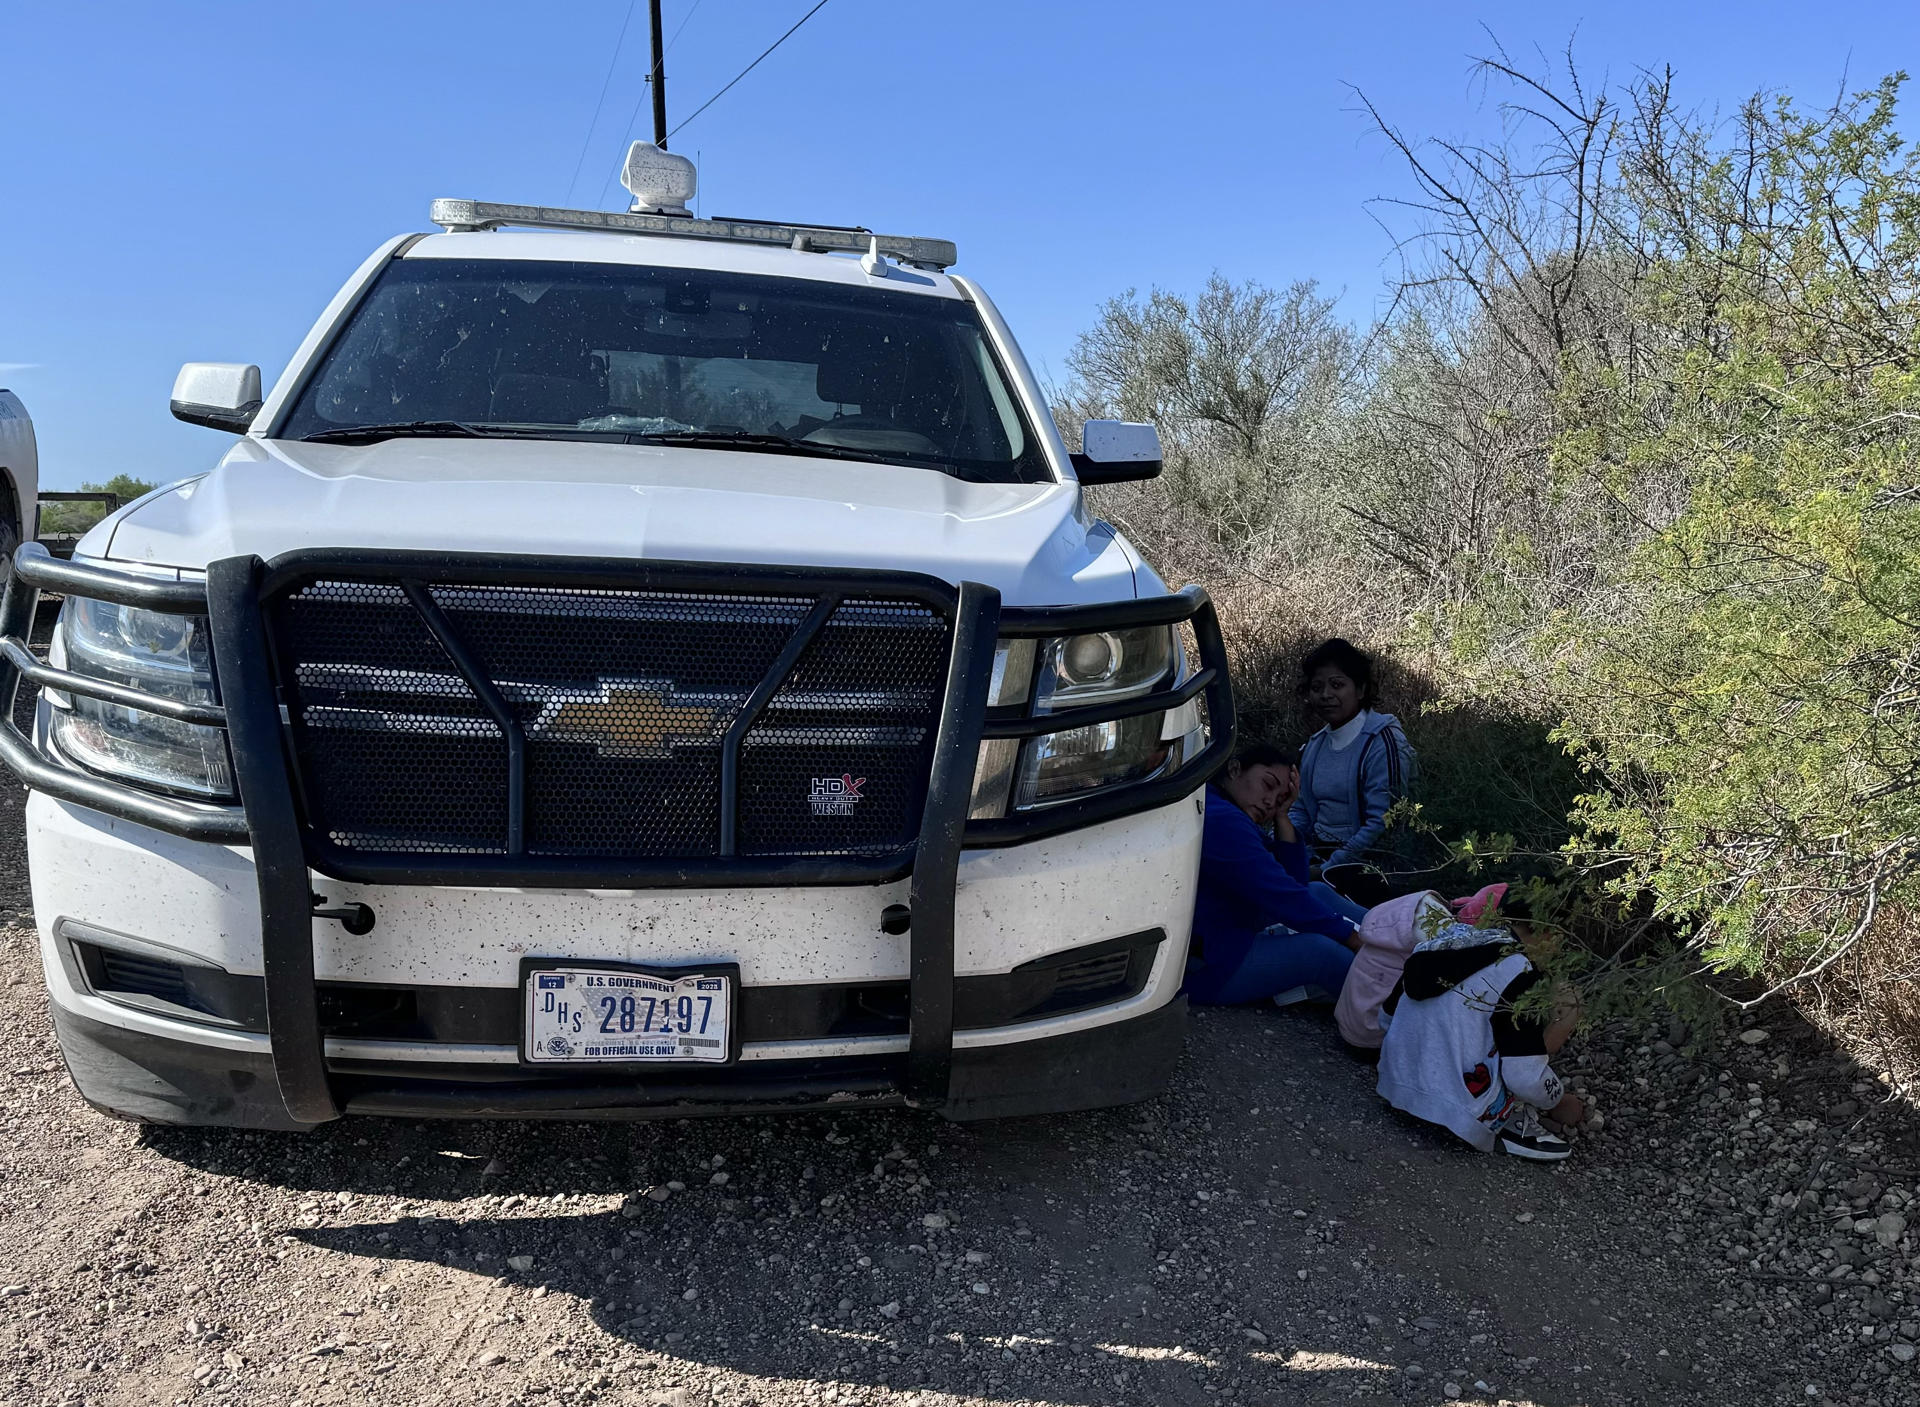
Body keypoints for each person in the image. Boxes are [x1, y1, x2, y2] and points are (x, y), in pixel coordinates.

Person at [1375, 896, 1586, 1161]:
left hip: (1396, 1084)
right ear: (1551, 933)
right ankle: (1510, 1123)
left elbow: (1385, 1019)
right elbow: (1522, 1075)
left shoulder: (1442, 942)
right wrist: (1559, 1100)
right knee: (1554, 1025)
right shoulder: (1521, 973)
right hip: (1461, 1113)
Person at [1186, 741, 1370, 1007]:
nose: (1270, 801)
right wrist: (1351, 937)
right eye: (1268, 784)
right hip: (1211, 964)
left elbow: (1297, 884)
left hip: (1228, 933)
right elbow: (1281, 895)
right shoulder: (1221, 819)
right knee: (1319, 953)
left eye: (1280, 799)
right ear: (1235, 769)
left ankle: (1399, 935)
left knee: (1316, 892)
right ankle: (1394, 1010)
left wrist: (1282, 817)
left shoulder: (1223, 806)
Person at [1288, 639, 1417, 882]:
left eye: (1337, 685)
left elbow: (1383, 824)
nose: (1326, 695)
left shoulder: (1383, 741)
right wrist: (1287, 849)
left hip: (1373, 871)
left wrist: (1327, 870)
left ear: (1360, 689)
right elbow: (1301, 809)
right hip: (1320, 859)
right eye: (1317, 687)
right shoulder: (1315, 744)